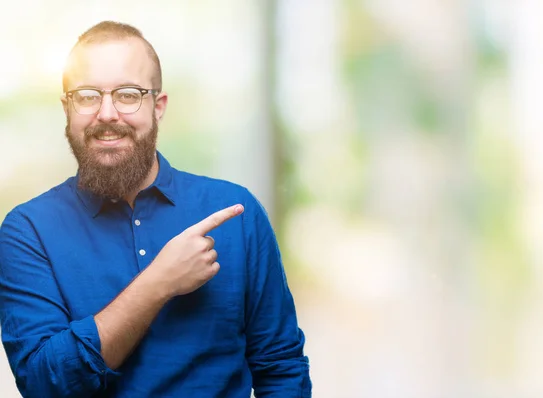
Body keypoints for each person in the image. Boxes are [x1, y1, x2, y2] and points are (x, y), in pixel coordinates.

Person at [0, 21, 311, 397]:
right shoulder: (27, 231)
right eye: (87, 95)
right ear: (67, 108)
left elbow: (281, 367)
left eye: (128, 94)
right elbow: (43, 383)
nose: (107, 113)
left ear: (157, 106)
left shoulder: (235, 213)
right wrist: (157, 283)